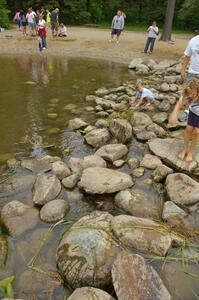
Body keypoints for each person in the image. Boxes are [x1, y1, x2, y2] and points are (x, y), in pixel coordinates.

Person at [169, 79, 199, 163]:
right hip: (193, 113)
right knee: (188, 130)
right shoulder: (187, 94)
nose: (190, 96)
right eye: (189, 94)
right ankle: (185, 149)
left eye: (193, 94)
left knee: (197, 133)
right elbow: (179, 104)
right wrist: (174, 115)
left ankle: (191, 152)